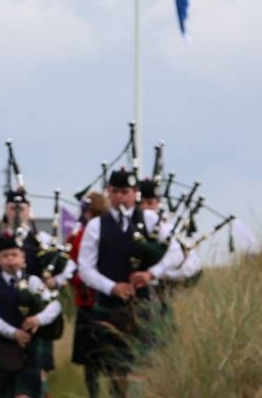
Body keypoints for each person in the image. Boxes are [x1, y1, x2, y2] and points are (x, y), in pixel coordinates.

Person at [77, 168, 183, 397]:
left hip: (144, 303)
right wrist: (112, 287)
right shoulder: (96, 226)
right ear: (108, 192)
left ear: (135, 193)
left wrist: (151, 274)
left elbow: (176, 253)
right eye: (114, 191)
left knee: (145, 365)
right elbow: (85, 268)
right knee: (116, 369)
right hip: (109, 306)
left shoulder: (151, 219)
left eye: (125, 192)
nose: (119, 197)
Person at [0, 233, 62, 398]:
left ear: (23, 258)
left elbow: (54, 306)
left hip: (29, 349)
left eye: (14, 255)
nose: (10, 259)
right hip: (2, 348)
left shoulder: (33, 282)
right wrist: (14, 333)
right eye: (5, 256)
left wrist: (38, 319)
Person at [67, 191, 109, 398]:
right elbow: (71, 269)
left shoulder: (110, 234)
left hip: (106, 301)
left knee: (105, 355)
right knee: (91, 358)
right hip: (87, 300)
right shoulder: (76, 238)